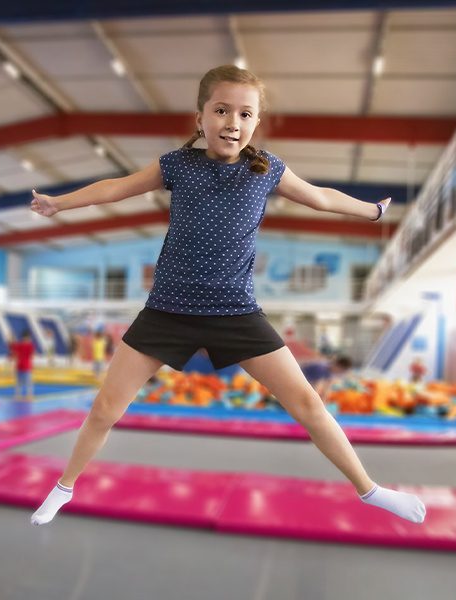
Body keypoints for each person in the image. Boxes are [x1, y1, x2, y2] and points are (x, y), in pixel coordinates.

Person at [28, 64, 424, 526]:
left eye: (244, 114)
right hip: (167, 311)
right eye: (220, 111)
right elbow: (116, 188)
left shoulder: (268, 170)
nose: (232, 122)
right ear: (200, 118)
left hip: (236, 312)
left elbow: (320, 197)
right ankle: (64, 487)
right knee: (105, 409)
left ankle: (370, 490)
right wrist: (60, 203)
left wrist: (373, 213)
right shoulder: (177, 165)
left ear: (256, 123)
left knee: (308, 404)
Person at [9, 330, 36, 402]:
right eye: (28, 338)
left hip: (21, 366)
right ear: (28, 338)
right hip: (25, 366)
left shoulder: (20, 345)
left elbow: (13, 348)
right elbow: (32, 356)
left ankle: (19, 395)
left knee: (20, 383)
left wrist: (11, 338)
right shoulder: (30, 345)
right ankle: (28, 395)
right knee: (27, 382)